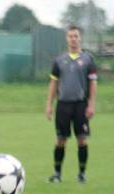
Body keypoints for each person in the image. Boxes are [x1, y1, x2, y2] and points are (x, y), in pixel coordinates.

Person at [45, 25, 97, 184]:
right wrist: (49, 104)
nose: (73, 39)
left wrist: (91, 105)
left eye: (76, 36)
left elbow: (93, 83)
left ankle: (82, 174)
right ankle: (57, 174)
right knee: (60, 139)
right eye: (70, 36)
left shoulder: (88, 59)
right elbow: (53, 83)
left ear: (80, 38)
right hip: (63, 105)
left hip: (81, 105)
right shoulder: (59, 60)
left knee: (82, 139)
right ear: (66, 38)